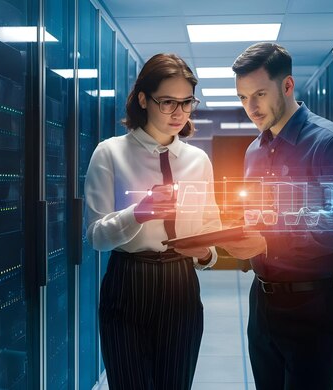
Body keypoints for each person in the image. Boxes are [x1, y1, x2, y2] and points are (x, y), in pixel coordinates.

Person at [219, 42, 333, 389]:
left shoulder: (332, 143)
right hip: (263, 302)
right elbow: (260, 216)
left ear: (287, 86)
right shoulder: (254, 151)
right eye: (242, 98)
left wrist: (270, 234)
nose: (250, 108)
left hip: (314, 305)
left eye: (259, 94)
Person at [84, 53, 222, 390]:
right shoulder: (110, 152)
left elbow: (210, 229)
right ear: (143, 99)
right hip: (129, 279)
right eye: (168, 102)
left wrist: (207, 254)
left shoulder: (198, 160)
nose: (179, 113)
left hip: (181, 282)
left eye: (187, 102)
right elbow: (96, 237)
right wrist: (139, 212)